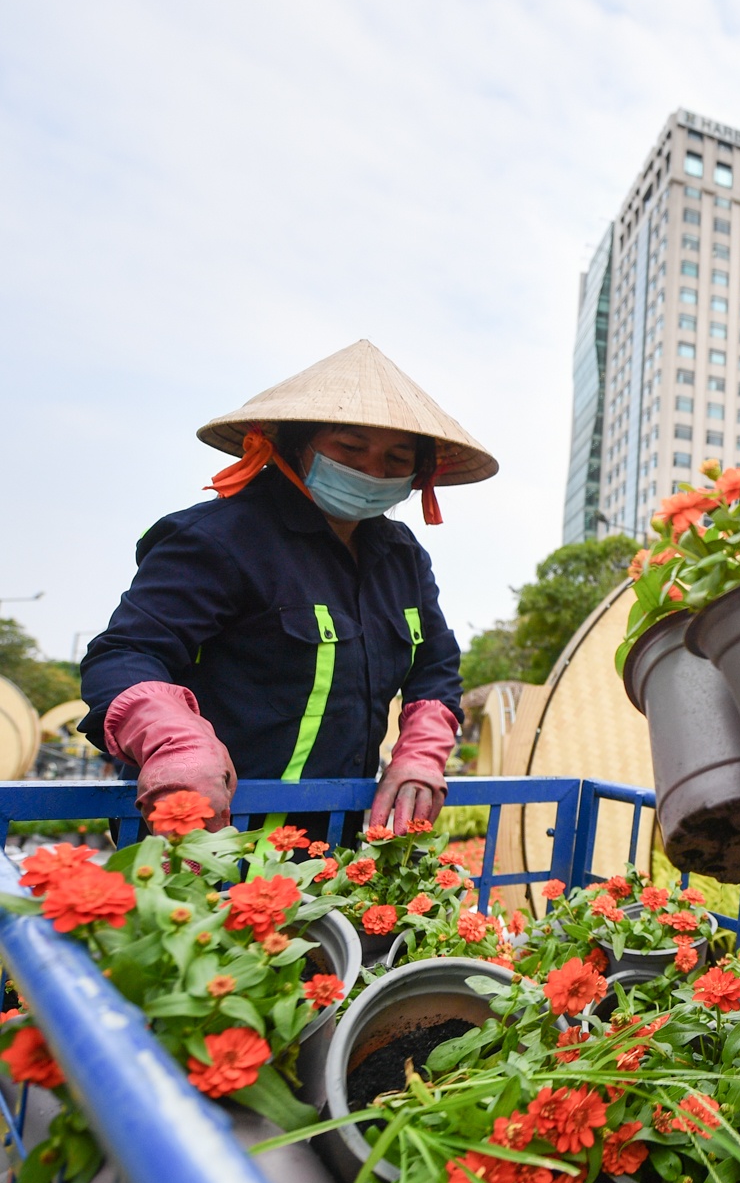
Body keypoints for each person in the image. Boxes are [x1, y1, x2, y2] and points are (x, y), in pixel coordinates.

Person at [80, 339, 496, 839]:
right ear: (296, 445)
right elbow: (126, 653)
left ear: (419, 474)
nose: (372, 470)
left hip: (328, 843)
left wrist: (421, 755)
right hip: (207, 835)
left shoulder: (401, 555)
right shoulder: (218, 538)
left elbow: (435, 667)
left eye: (396, 458)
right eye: (351, 448)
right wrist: (174, 742)